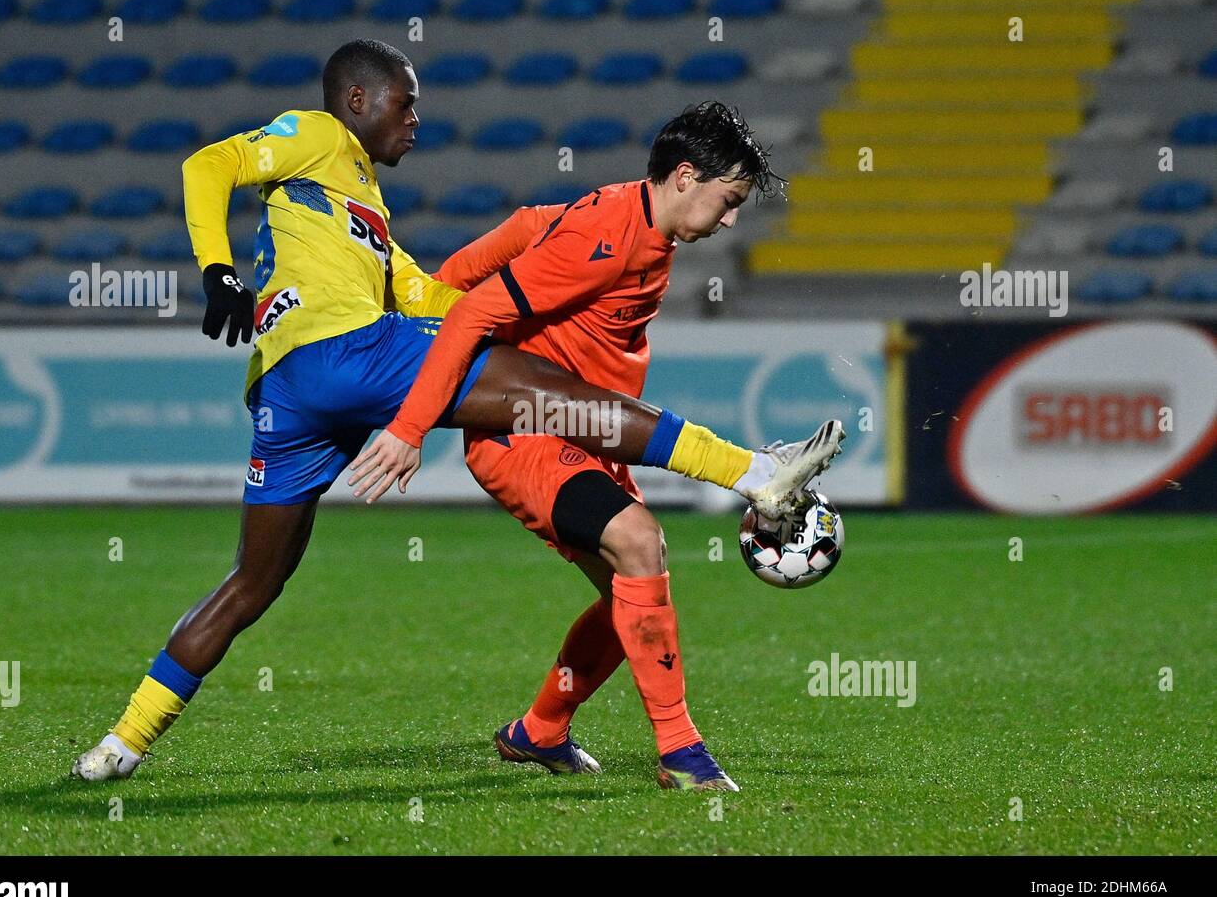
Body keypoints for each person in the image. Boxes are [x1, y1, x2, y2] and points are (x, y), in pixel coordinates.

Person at [72, 41, 838, 782]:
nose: (415, 122)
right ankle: (754, 471)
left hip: (288, 394)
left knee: (252, 582)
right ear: (357, 100)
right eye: (405, 106)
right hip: (346, 351)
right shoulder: (316, 134)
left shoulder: (364, 215)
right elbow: (208, 164)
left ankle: (122, 742)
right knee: (556, 396)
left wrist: (542, 235)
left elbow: (439, 298)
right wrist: (217, 270)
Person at [351, 102, 844, 791]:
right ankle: (682, 754)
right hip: (527, 432)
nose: (731, 219)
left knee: (631, 595)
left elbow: (528, 227)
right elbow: (476, 312)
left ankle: (539, 732)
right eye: (729, 200)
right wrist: (408, 427)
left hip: (589, 438)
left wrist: (434, 288)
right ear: (684, 177)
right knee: (640, 544)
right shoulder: (609, 234)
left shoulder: (635, 225)